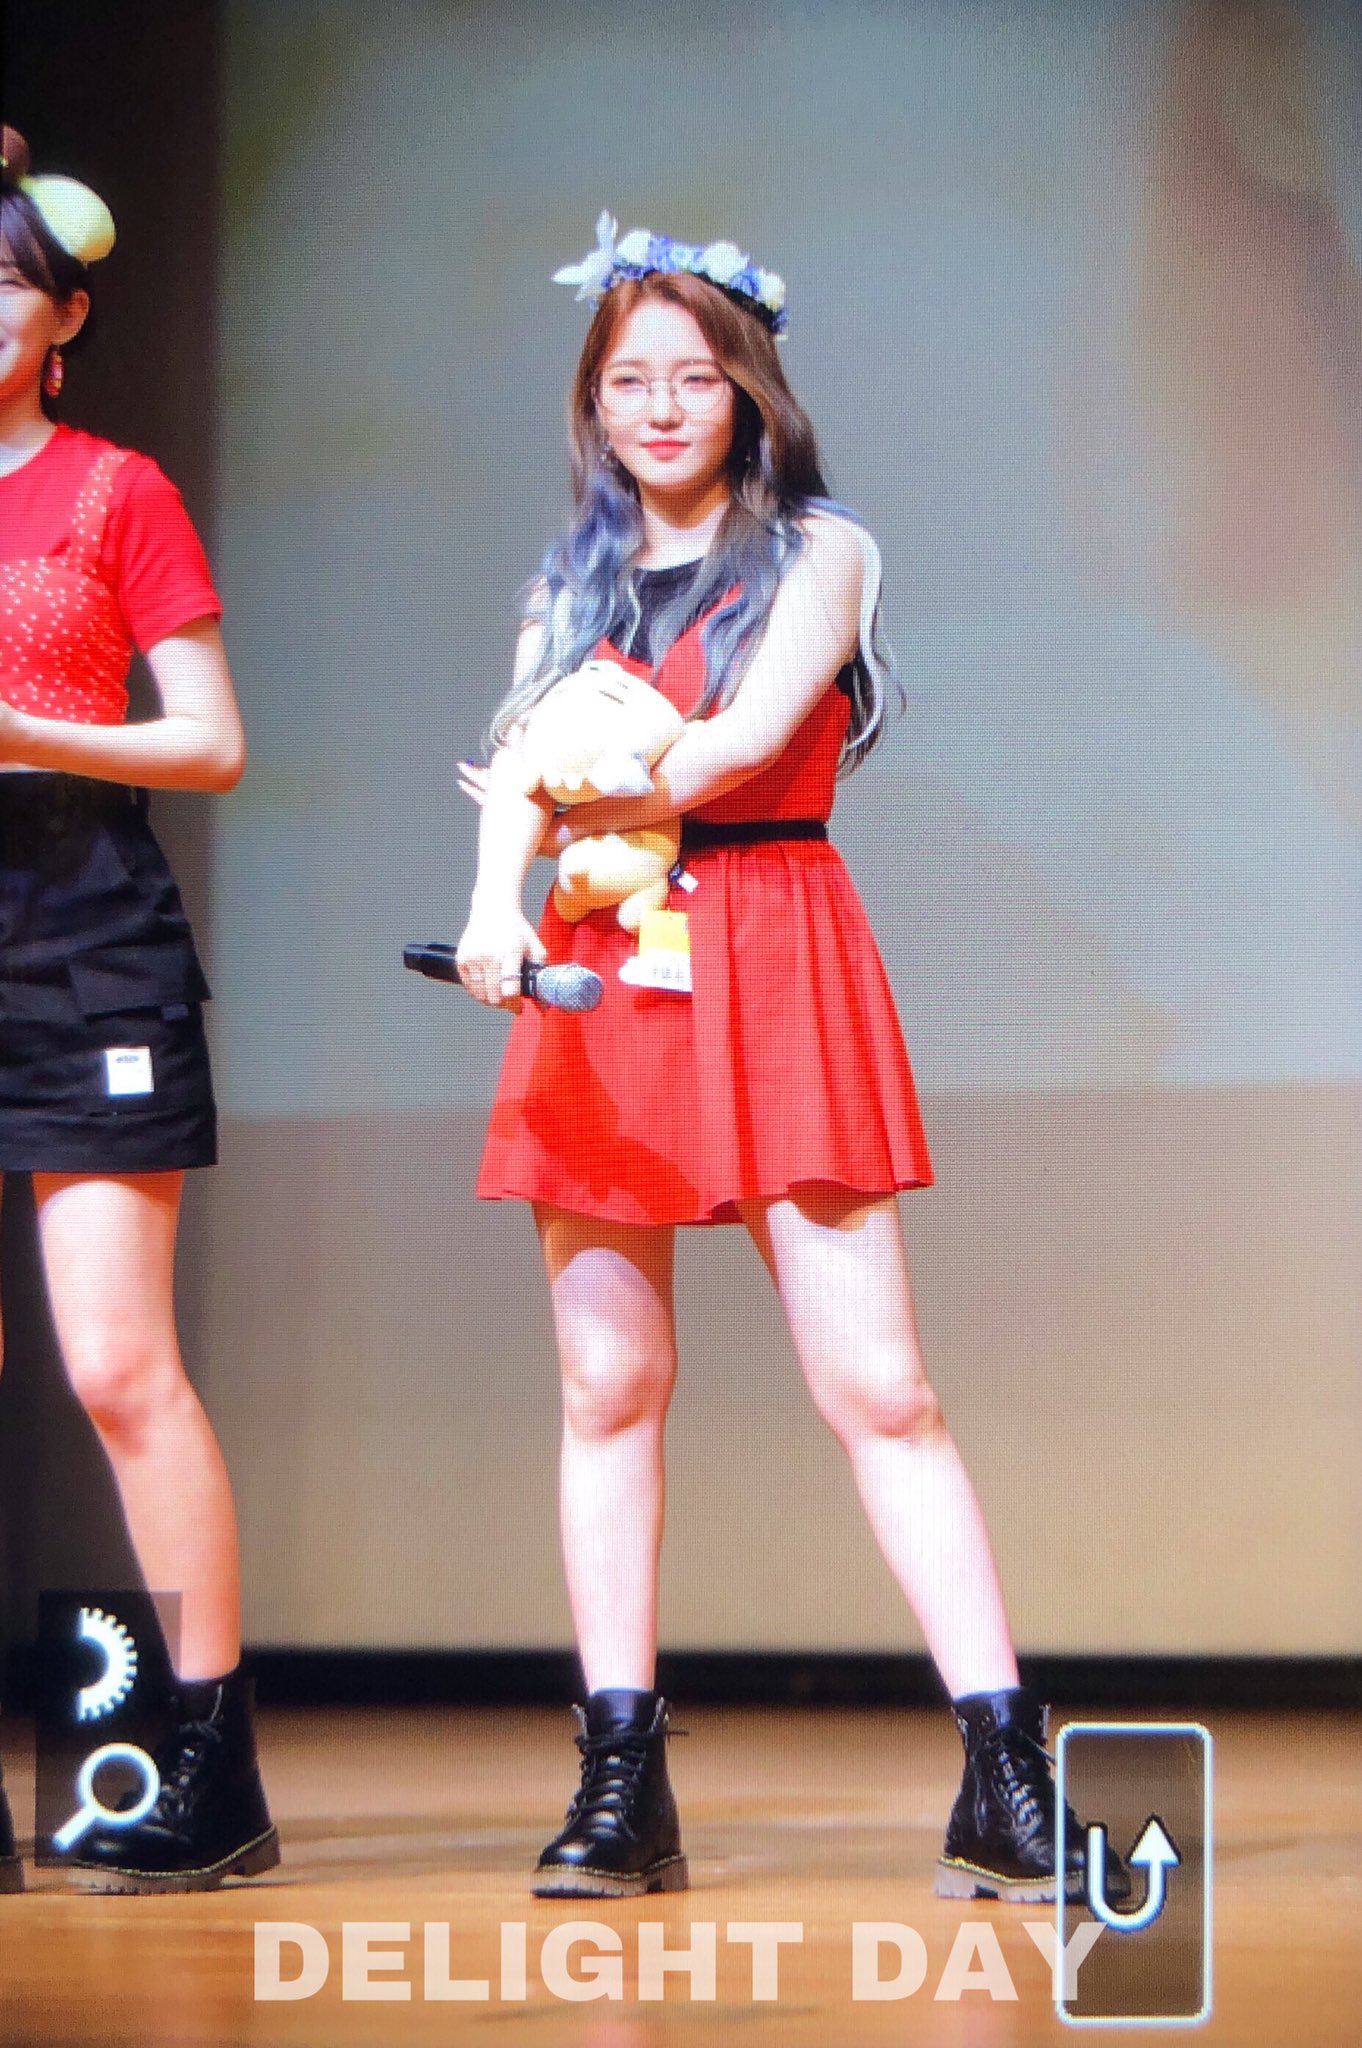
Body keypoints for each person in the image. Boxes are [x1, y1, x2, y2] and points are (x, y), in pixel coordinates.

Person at [457, 213, 1118, 1906]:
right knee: (607, 1387)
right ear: (593, 406)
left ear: (749, 391)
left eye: (694, 378)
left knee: (879, 1391)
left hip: (768, 948)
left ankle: (1003, 1771)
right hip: (606, 971)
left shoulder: (822, 551)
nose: (661, 409)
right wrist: (493, 900)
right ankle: (621, 1777)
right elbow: (509, 776)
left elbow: (738, 745)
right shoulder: (562, 585)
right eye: (628, 384)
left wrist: (569, 785)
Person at [0, 128, 276, 1891]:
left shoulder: (116, 492)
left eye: (1, 279)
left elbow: (214, 740)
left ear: (65, 317)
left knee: (115, 1365)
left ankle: (208, 1760)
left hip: (81, 924)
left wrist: (31, 733)